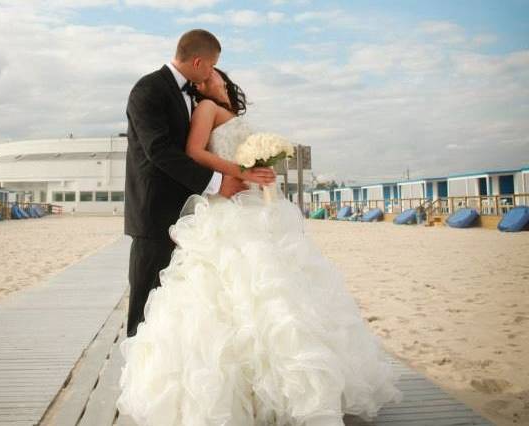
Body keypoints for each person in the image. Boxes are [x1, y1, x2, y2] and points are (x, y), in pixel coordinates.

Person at [118, 63, 402, 425]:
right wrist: (240, 172)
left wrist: (260, 172)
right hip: (233, 206)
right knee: (244, 289)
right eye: (201, 80)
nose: (206, 83)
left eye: (211, 77)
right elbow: (194, 152)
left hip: (256, 204)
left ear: (224, 78)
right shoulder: (205, 107)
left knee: (284, 289)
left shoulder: (226, 111)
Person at [123, 29, 277, 338]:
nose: (212, 73)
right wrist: (219, 182)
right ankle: (137, 381)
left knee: (177, 306)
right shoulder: (149, 89)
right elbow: (159, 151)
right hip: (156, 214)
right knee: (145, 305)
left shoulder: (193, 96)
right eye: (211, 65)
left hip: (191, 214)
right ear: (198, 61)